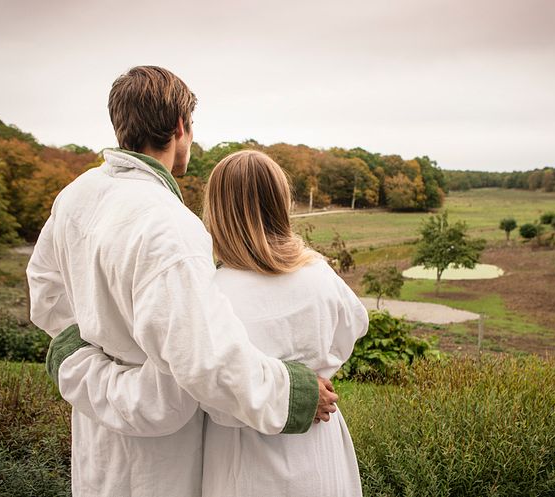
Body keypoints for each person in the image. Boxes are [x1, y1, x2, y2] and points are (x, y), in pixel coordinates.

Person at [27, 66, 338, 497]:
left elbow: (44, 286)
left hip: (95, 440)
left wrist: (84, 364)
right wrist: (292, 394)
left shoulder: (77, 194)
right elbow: (204, 358)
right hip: (160, 462)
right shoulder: (170, 226)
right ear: (180, 126)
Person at [49, 150, 368, 496]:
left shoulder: (215, 293)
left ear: (215, 213)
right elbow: (353, 326)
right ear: (281, 202)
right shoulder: (321, 274)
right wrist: (316, 369)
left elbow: (200, 380)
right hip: (321, 445)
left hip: (245, 459)